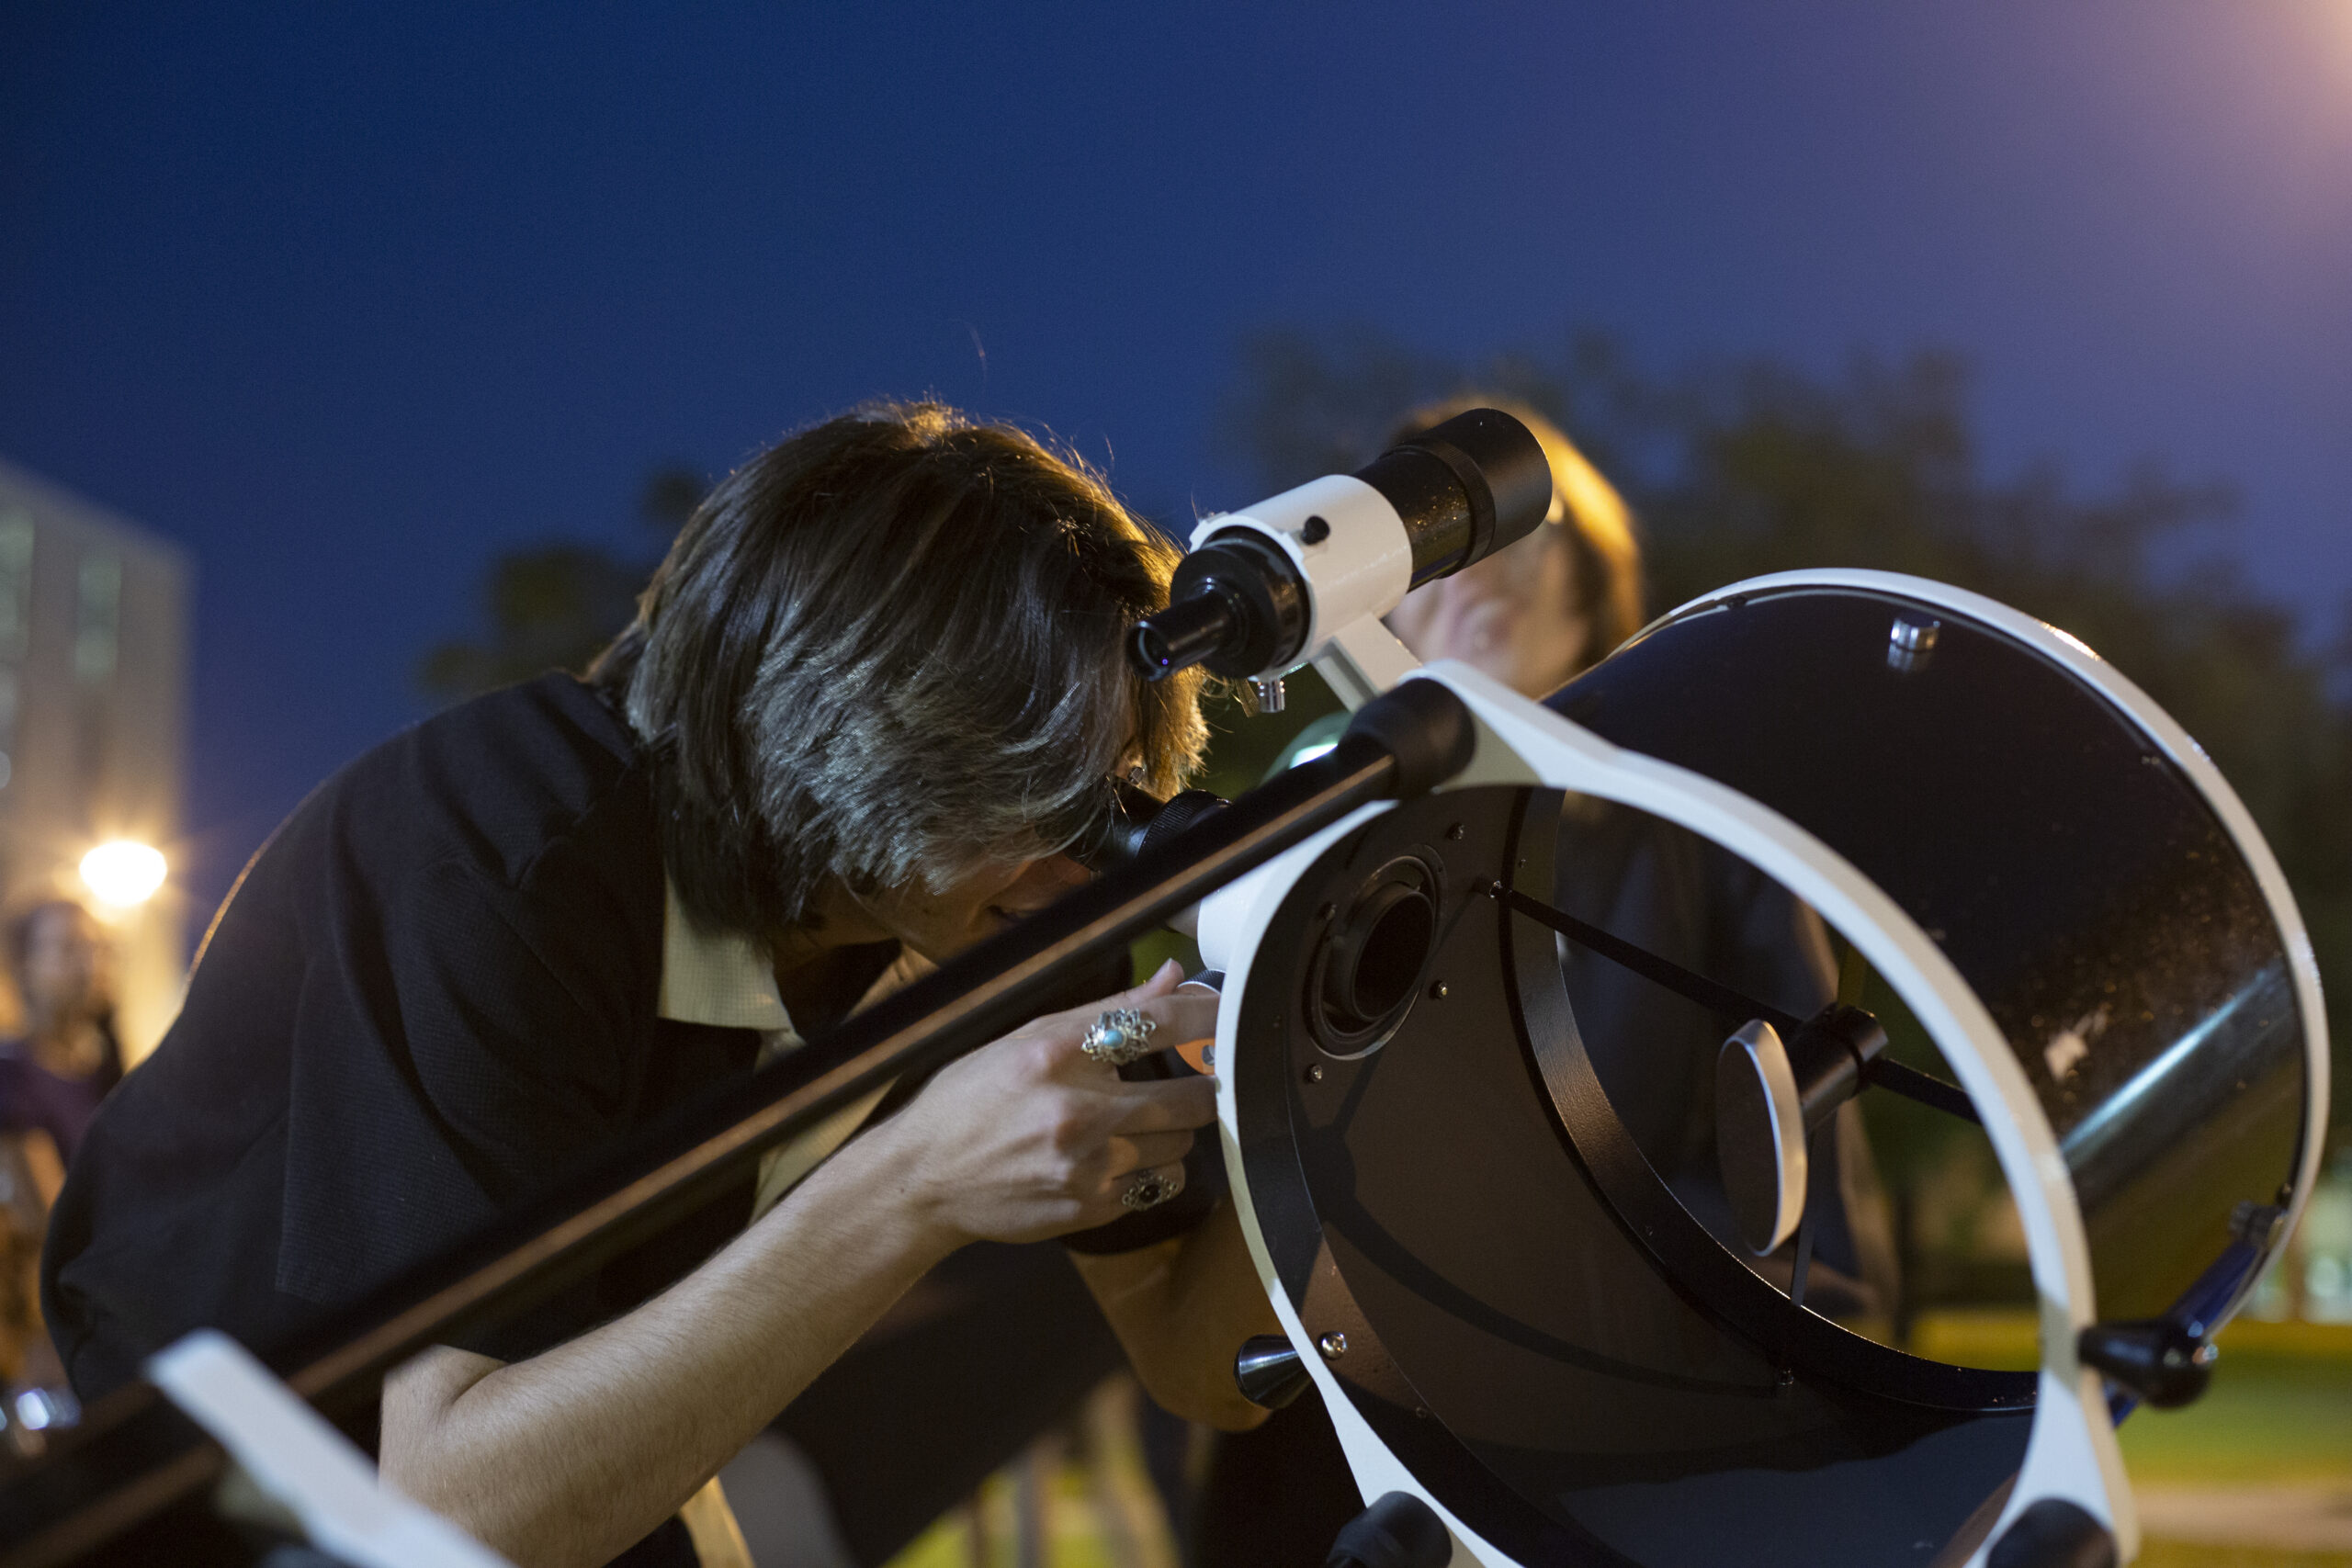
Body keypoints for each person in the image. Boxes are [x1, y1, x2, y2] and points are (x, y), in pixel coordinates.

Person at [43, 403, 1279, 1568]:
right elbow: (454, 1509)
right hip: (230, 1471)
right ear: (862, 733)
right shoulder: (508, 841)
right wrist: (918, 1180)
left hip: (535, 1440)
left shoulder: (1014, 909)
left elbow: (1208, 1358)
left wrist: (1327, 1076)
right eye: (1042, 797)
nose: (1089, 858)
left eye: (1115, 792)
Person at [1190, 399, 1896, 1568]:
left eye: (1516, 533)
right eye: (1426, 541)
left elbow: (1810, 1203)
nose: (1471, 575)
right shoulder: (1309, 832)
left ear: (1590, 588)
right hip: (1331, 1438)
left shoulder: (1704, 838)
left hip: (1611, 1452)